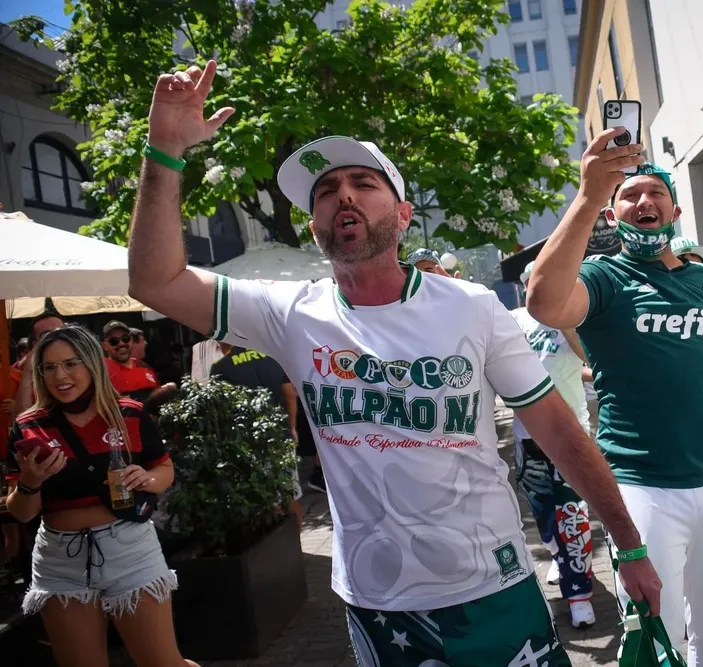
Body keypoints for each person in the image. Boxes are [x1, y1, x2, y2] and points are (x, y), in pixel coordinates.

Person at [126, 60, 660, 665]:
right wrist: (165, 149)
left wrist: (629, 544)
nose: (343, 195)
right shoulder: (288, 311)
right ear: (315, 225)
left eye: (363, 182)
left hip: (493, 585)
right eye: (326, 191)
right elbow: (156, 279)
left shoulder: (473, 305)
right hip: (378, 601)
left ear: (403, 215)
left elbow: (561, 431)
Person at [527, 128, 703, 666]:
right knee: (657, 638)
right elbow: (543, 302)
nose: (643, 201)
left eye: (654, 193)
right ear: (612, 216)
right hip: (643, 492)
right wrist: (587, 194)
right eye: (628, 194)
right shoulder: (603, 278)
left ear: (675, 212)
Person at [4, 325, 195, 667]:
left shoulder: (130, 414)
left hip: (130, 550)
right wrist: (31, 482)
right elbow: (21, 512)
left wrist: (147, 478)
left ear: (92, 363)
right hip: (59, 559)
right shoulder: (28, 426)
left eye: (70, 364)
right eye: (48, 367)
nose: (59, 375)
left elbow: (165, 470)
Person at [511, 260, 596, 629]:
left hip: (570, 434)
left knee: (573, 514)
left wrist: (566, 321)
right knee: (544, 515)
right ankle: (560, 558)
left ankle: (579, 595)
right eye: (534, 283)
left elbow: (592, 359)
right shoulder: (513, 321)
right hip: (526, 437)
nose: (541, 288)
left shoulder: (573, 320)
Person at [210, 343, 303, 528]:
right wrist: (291, 427)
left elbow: (221, 411)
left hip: (248, 441)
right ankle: (296, 543)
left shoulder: (221, 366)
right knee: (289, 493)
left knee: (261, 496)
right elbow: (290, 395)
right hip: (281, 435)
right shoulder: (273, 356)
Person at [102, 321, 176, 410]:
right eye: (114, 341)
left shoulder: (144, 366)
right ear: (105, 346)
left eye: (125, 338)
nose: (121, 344)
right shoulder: (101, 372)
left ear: (131, 340)